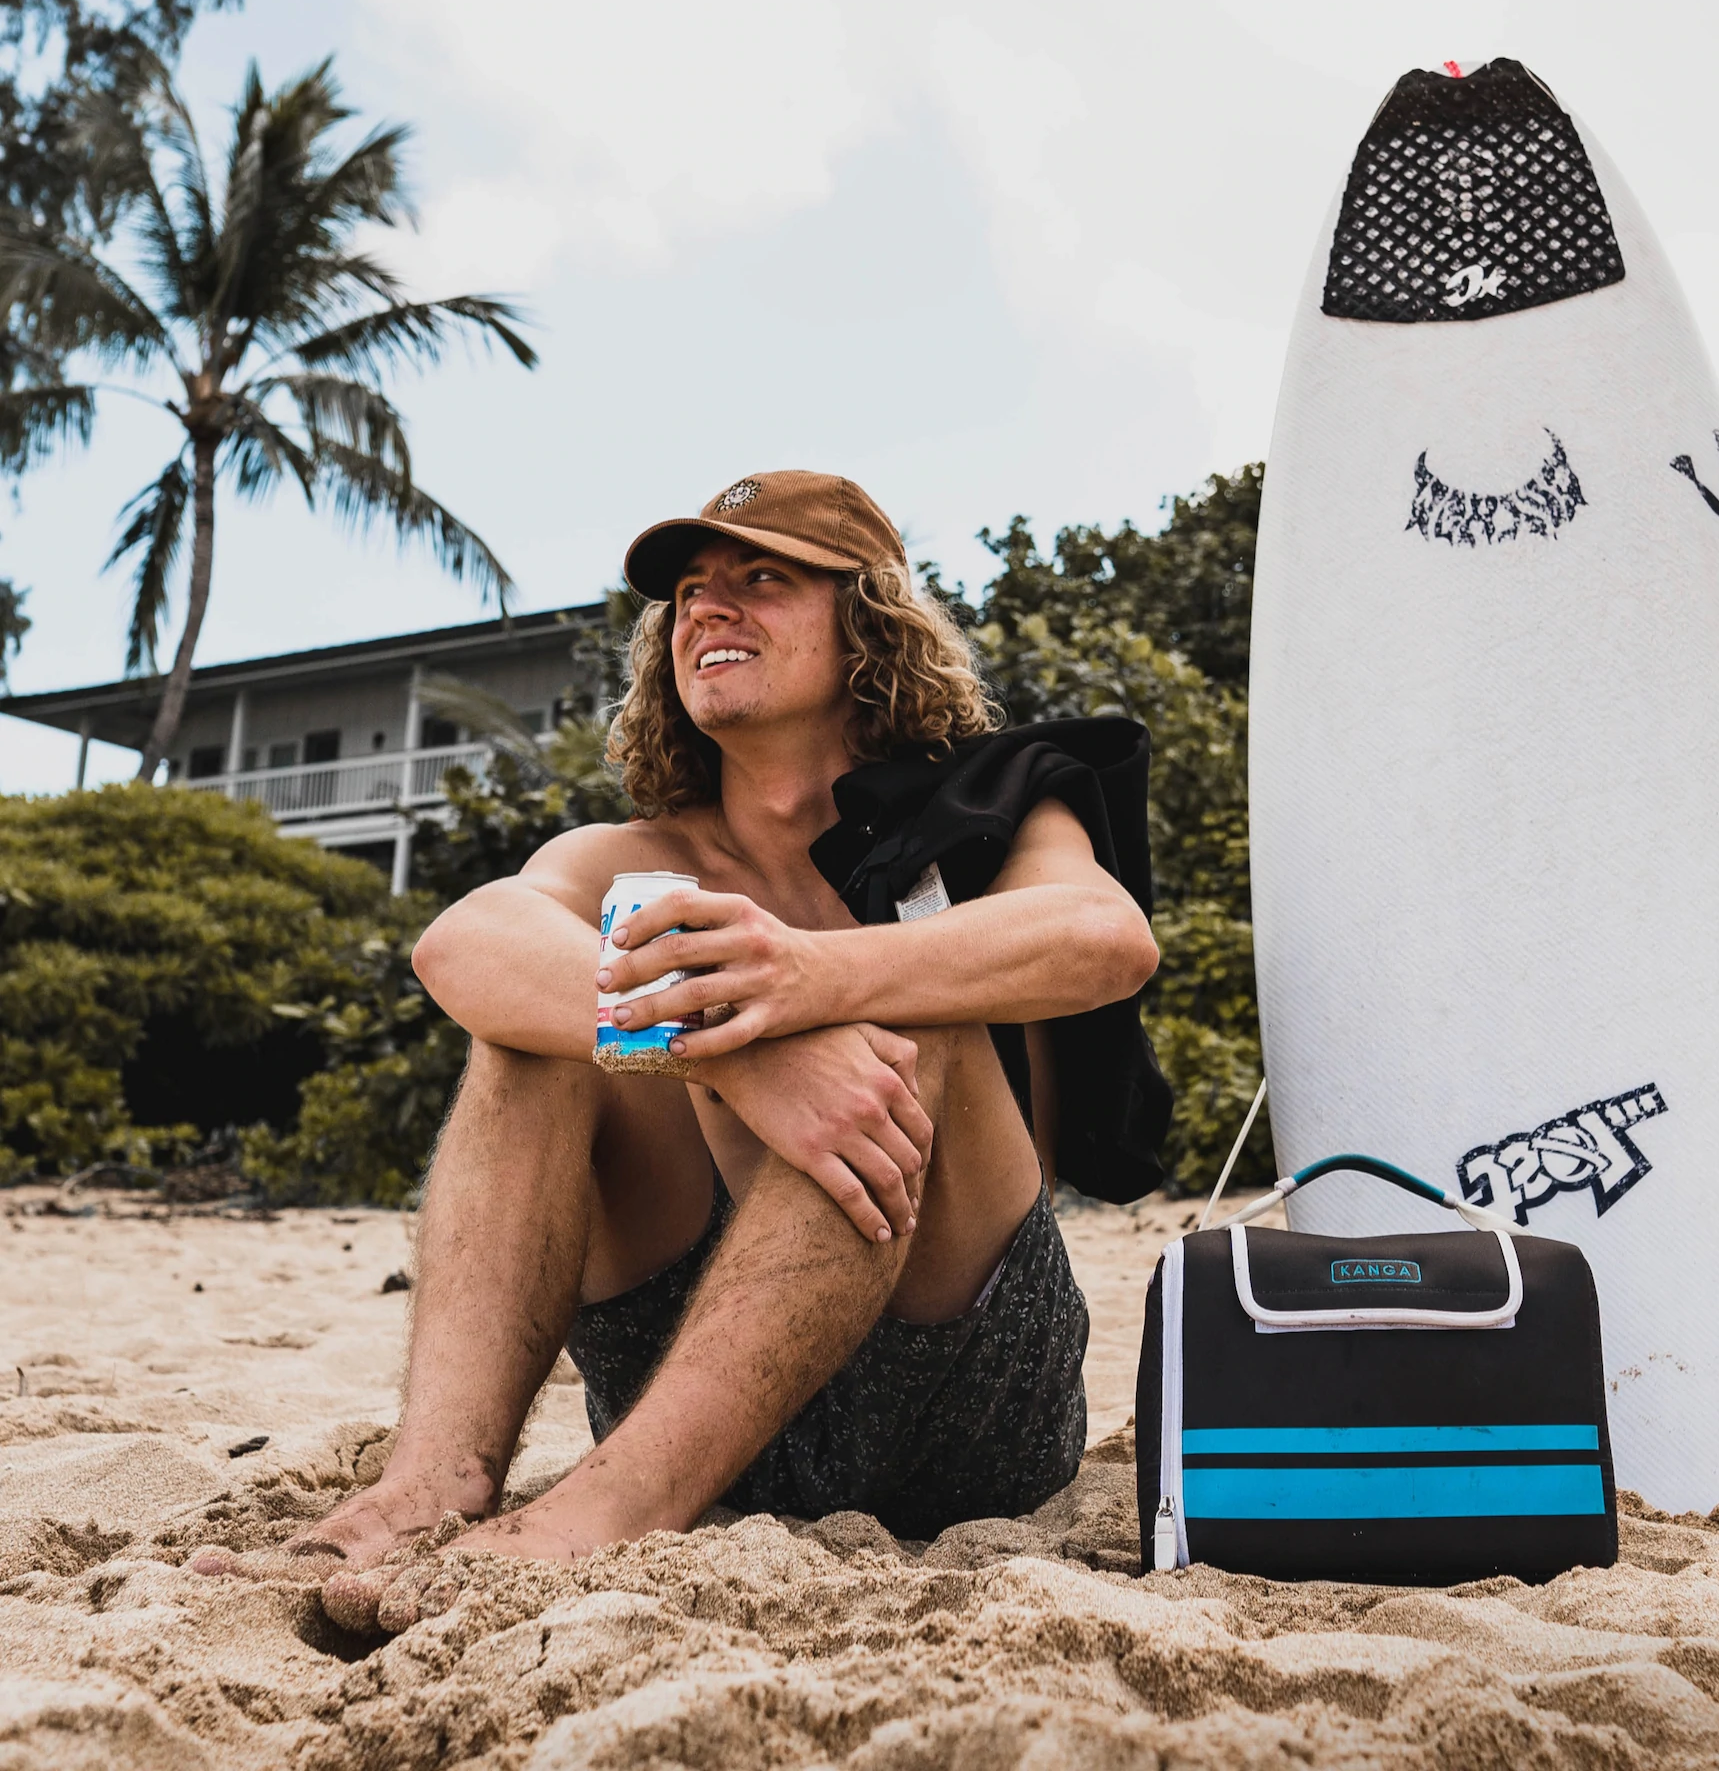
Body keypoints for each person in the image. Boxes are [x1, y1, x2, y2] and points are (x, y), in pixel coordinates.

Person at [193, 469, 1161, 1632]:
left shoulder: (986, 803)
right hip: (688, 1382)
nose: (711, 606)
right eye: (693, 592)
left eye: (762, 577)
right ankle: (426, 1487)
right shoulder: (634, 850)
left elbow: (1104, 937)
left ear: (868, 620)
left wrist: (804, 979)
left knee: (903, 1008)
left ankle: (607, 1510)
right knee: (540, 1034)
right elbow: (464, 943)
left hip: (963, 1397)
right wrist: (732, 1049)